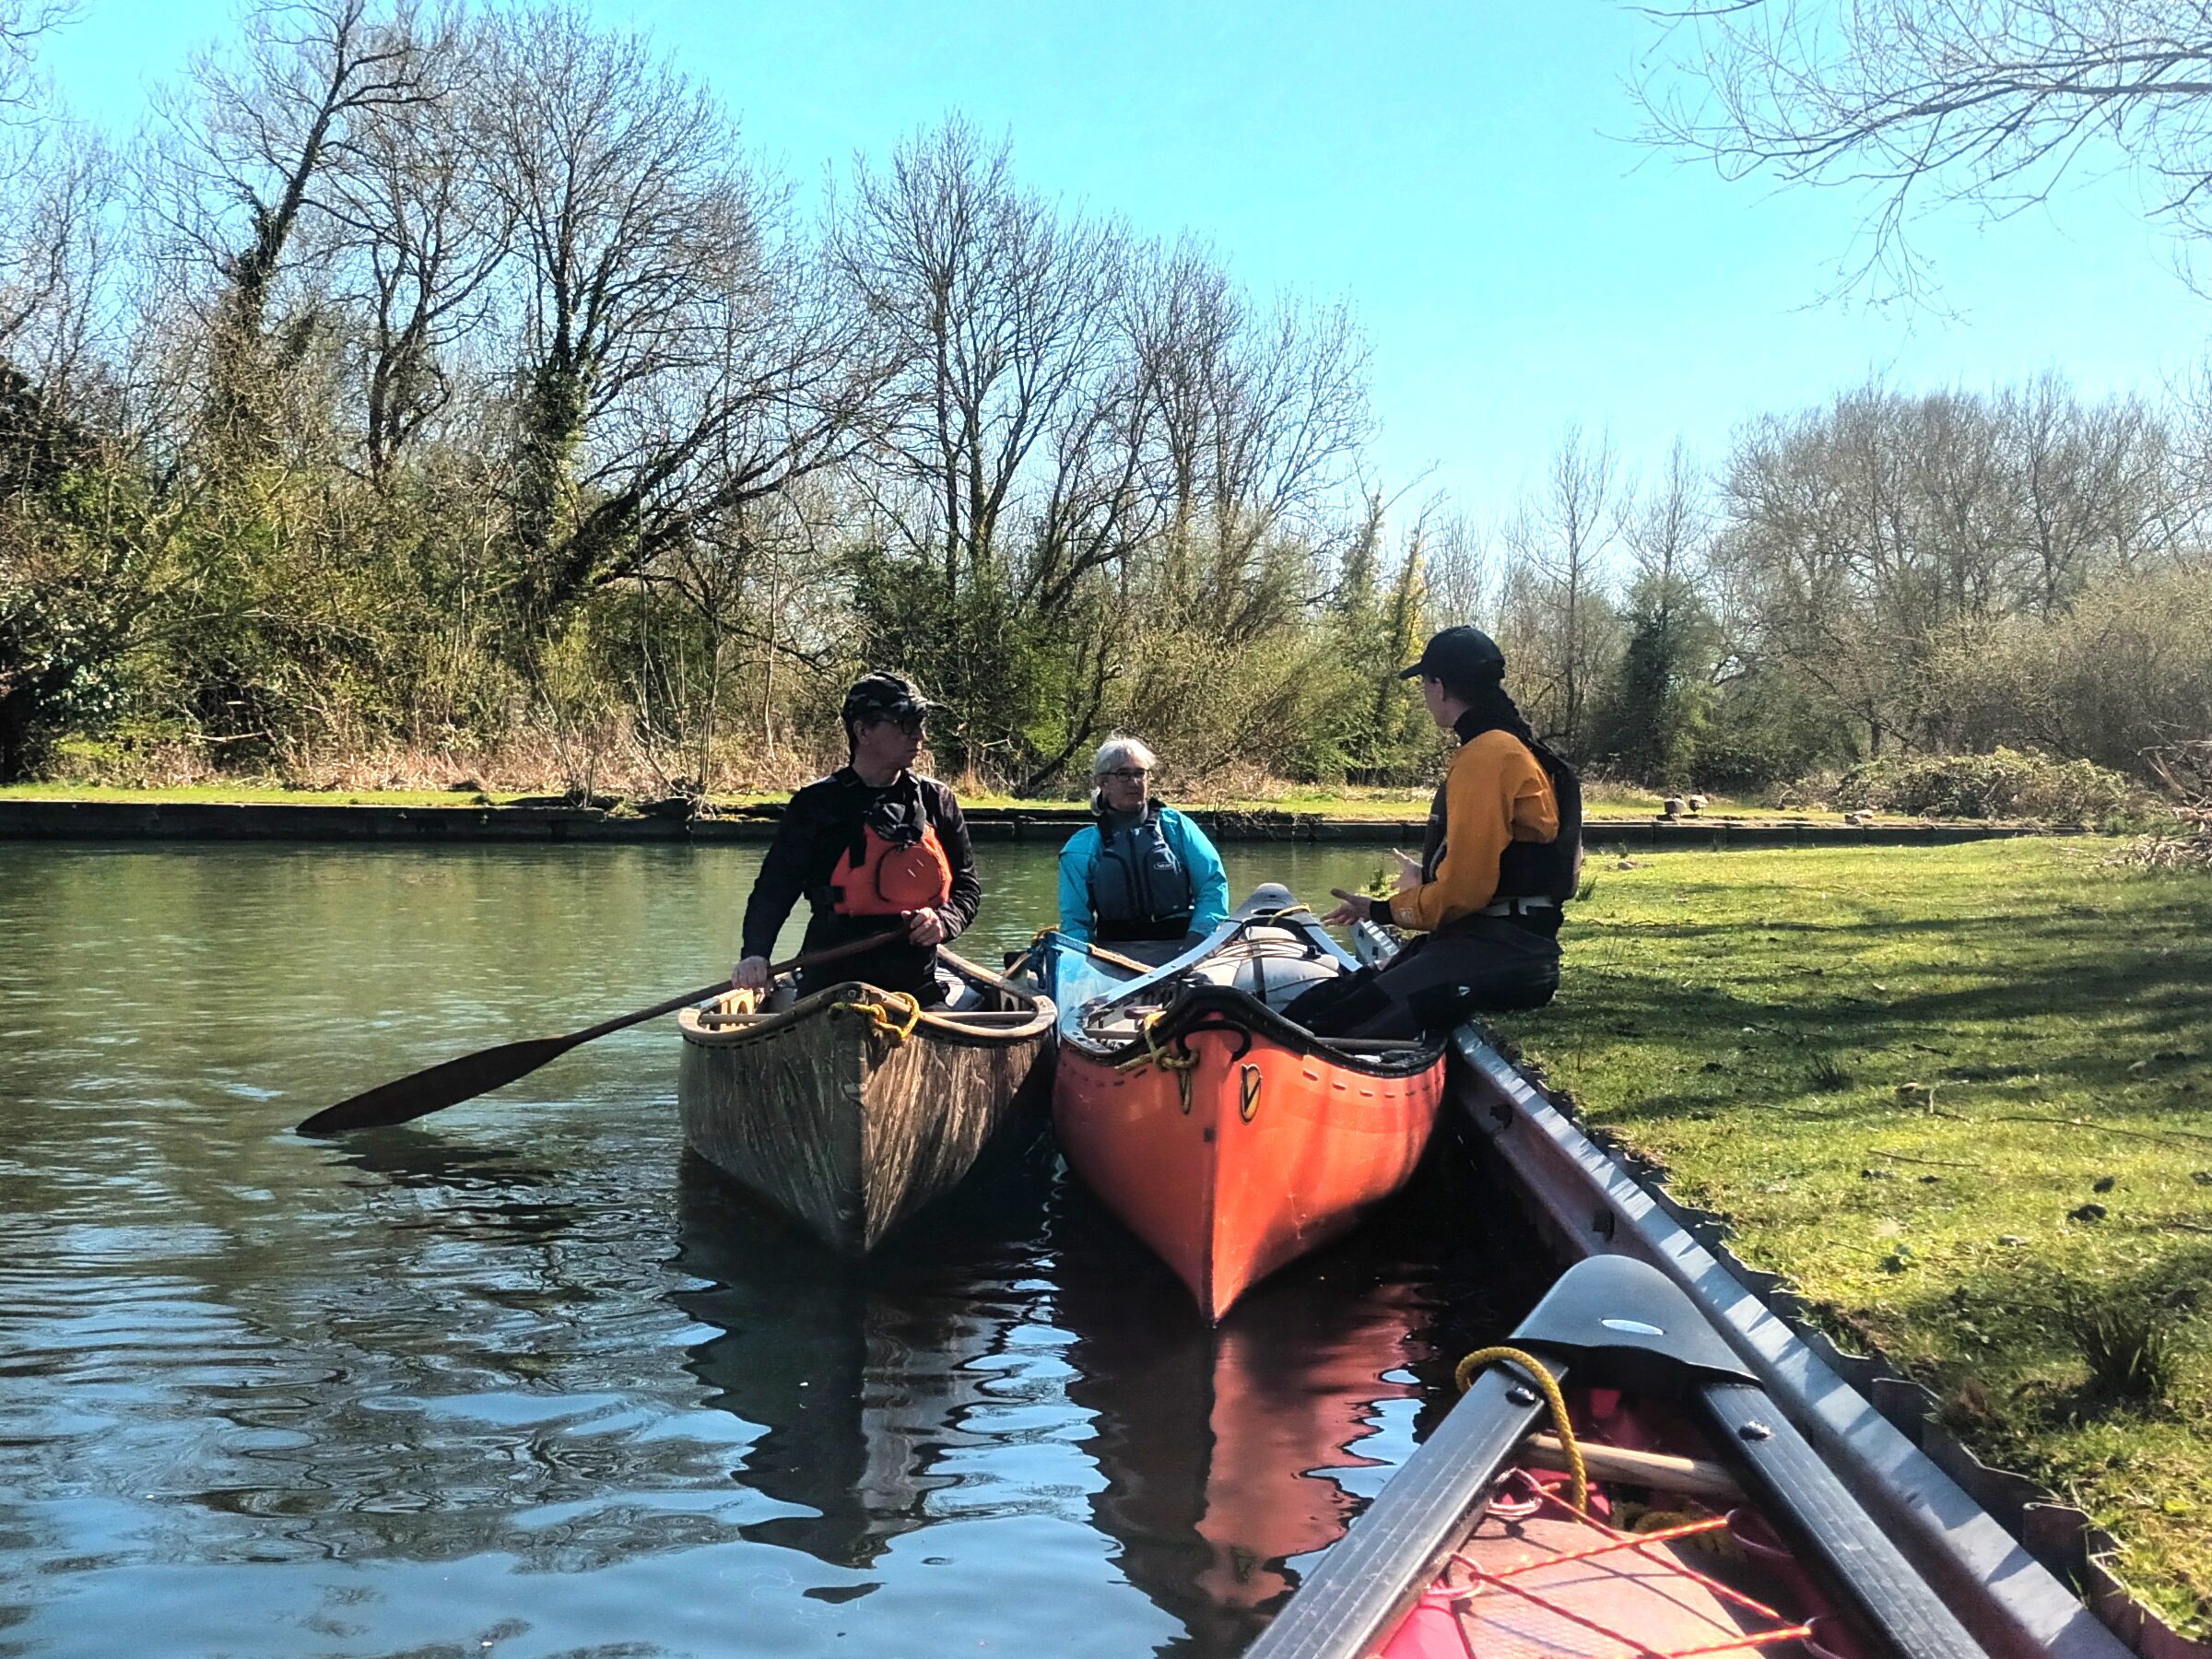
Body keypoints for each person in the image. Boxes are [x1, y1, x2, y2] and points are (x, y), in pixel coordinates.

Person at [1293, 626, 1582, 1039]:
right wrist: (1423, 880)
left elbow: (1464, 893)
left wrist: (1384, 908)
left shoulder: (1486, 755)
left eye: (1425, 685)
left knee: (1334, 1027)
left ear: (1439, 686)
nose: (1426, 698)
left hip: (1500, 955)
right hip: (1496, 946)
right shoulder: (1509, 746)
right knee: (1331, 1000)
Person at [734, 672, 982, 1003]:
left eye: (921, 723)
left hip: (915, 987)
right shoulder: (815, 805)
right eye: (906, 723)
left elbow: (967, 887)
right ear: (863, 731)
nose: (920, 735)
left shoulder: (938, 800)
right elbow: (774, 890)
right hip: (828, 986)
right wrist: (755, 954)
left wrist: (945, 922)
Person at [1056, 735, 1231, 961]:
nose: (1134, 782)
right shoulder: (1082, 848)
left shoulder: (1177, 828)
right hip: (1114, 956)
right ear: (1103, 782)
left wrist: (1196, 943)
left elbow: (1212, 885)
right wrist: (1084, 964)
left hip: (1184, 948)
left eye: (1140, 773)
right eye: (1123, 775)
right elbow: (1075, 922)